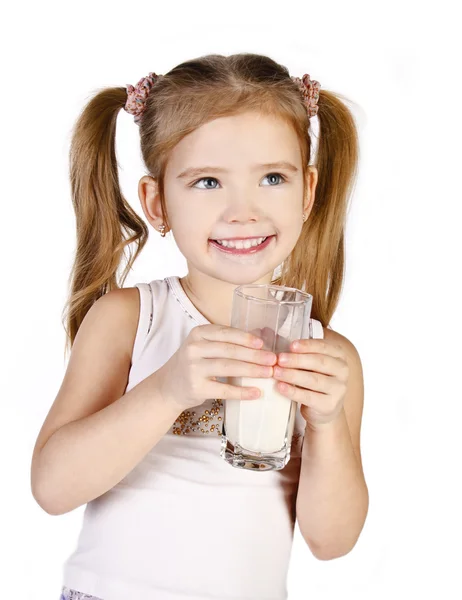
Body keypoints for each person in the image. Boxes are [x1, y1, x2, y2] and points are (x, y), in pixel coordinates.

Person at [30, 52, 369, 600]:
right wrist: (167, 388)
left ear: (307, 192)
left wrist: (326, 424)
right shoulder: (131, 318)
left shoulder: (329, 358)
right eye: (208, 182)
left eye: (273, 178)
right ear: (156, 201)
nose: (243, 210)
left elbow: (331, 541)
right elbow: (51, 487)